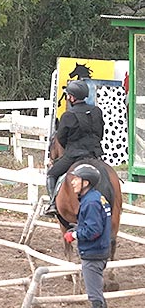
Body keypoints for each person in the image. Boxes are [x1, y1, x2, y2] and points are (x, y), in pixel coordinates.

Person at [63, 164, 112, 308]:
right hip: (98, 251)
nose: (73, 182)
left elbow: (93, 230)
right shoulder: (97, 198)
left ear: (86, 182)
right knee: (96, 292)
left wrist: (74, 234)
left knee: (94, 294)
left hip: (93, 253)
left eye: (76, 179)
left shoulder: (90, 202)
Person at [45, 79, 104, 216]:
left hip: (74, 155)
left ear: (71, 97)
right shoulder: (96, 111)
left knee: (51, 174)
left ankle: (53, 204)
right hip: (94, 154)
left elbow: (61, 138)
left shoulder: (68, 115)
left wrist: (70, 149)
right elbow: (100, 133)